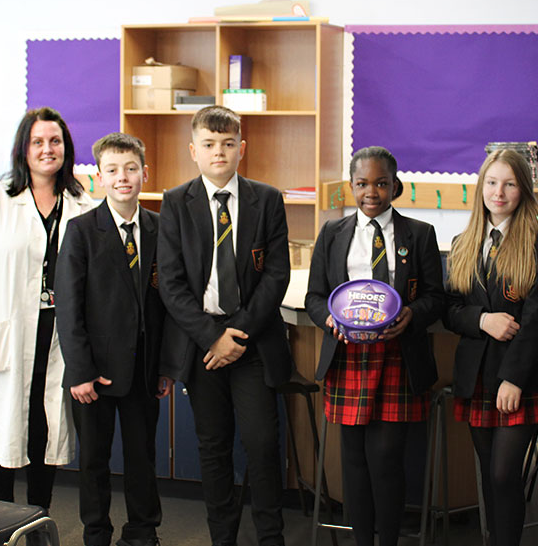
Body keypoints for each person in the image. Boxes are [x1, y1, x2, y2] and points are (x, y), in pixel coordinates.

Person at [157, 105, 291, 546]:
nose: (219, 152)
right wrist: (213, 336)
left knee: (262, 443)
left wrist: (237, 335)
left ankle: (270, 537)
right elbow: (171, 283)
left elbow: (276, 275)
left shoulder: (266, 199)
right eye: (210, 144)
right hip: (203, 344)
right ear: (193, 150)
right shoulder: (175, 202)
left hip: (251, 341)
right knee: (213, 447)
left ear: (241, 149)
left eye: (228, 144)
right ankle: (222, 538)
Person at [0, 107, 94, 516]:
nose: (47, 149)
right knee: (3, 428)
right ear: (23, 149)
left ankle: (37, 517)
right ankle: (3, 517)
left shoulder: (82, 205)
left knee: (43, 429)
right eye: (38, 142)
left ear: (66, 148)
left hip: (56, 335)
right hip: (3, 337)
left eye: (55, 141)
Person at [305, 146, 444, 546]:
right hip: (348, 355)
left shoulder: (420, 234)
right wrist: (329, 318)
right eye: (363, 183)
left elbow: (436, 297)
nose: (372, 192)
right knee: (353, 460)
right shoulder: (331, 233)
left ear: (394, 186)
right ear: (351, 186)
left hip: (398, 356)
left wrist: (412, 314)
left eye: (381, 183)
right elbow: (315, 297)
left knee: (385, 458)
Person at [55, 133, 173, 546]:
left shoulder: (161, 229)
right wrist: (79, 371)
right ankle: (96, 533)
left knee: (143, 456)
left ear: (145, 173)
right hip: (95, 373)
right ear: (99, 178)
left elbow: (167, 305)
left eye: (131, 168)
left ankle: (142, 531)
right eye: (112, 170)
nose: (123, 177)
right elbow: (69, 307)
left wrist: (165, 366)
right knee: (94, 461)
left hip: (144, 368)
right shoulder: (81, 231)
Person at [444, 149, 538, 546]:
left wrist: (513, 379)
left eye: (509, 184)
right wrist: (482, 320)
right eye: (492, 183)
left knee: (504, 474)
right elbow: (450, 310)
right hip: (476, 376)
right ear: (481, 187)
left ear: (523, 190)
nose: (499, 192)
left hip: (518, 379)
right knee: (488, 473)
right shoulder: (464, 242)